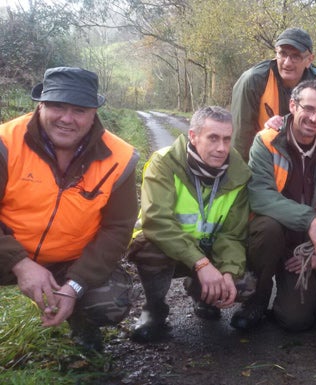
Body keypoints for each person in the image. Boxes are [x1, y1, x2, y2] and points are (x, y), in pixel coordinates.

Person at [0, 67, 138, 351]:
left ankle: (83, 326)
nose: (66, 118)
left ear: (93, 114)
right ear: (41, 105)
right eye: (57, 106)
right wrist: (19, 262)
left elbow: (118, 229)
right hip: (8, 248)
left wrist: (76, 284)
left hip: (71, 260)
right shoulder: (5, 143)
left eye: (78, 110)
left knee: (110, 302)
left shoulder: (120, 159)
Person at [230, 80, 316, 332]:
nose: (315, 118)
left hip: (305, 248)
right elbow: (259, 194)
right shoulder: (267, 141)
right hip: (269, 236)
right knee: (269, 228)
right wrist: (309, 220)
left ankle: (284, 301)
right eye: (309, 109)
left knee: (296, 321)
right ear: (292, 105)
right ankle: (256, 301)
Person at [128, 106, 251, 343]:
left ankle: (204, 297)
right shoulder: (164, 163)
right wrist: (201, 263)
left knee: (245, 285)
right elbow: (157, 222)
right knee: (148, 246)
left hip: (208, 249)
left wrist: (228, 272)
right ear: (193, 136)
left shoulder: (239, 174)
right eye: (213, 138)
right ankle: (154, 310)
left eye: (227, 139)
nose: (222, 148)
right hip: (169, 248)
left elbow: (233, 235)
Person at [231, 27, 316, 161]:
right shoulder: (253, 81)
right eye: (282, 54)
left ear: (309, 60)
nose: (287, 63)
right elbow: (240, 139)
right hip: (260, 158)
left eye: (295, 56)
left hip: (303, 161)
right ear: (276, 53)